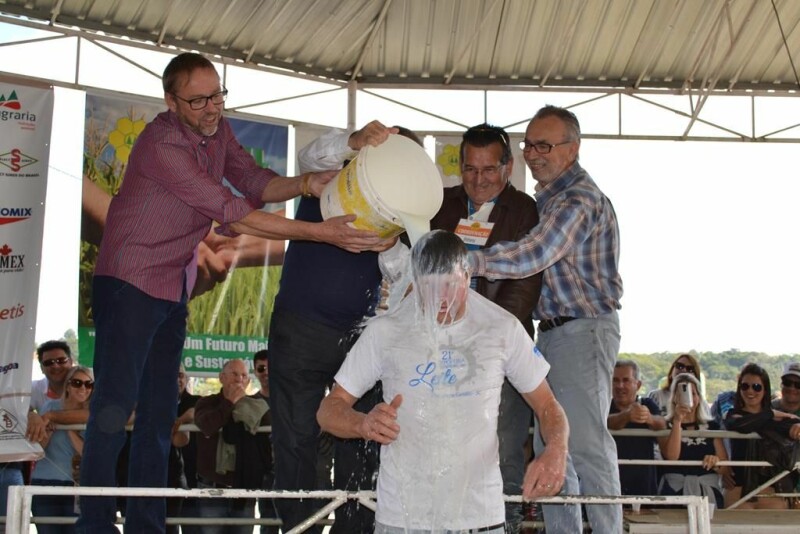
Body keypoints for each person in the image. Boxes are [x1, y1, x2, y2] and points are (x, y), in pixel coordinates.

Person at [76, 52, 382, 534]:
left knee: (159, 418)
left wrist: (306, 182)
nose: (212, 108)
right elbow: (232, 212)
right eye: (198, 100)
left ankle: (146, 526)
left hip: (171, 288)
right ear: (171, 102)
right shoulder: (162, 145)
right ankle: (92, 525)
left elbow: (254, 180)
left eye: (218, 95)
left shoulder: (216, 131)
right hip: (128, 282)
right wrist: (322, 232)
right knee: (114, 409)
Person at [317, 230, 569, 533]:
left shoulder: (501, 327)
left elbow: (547, 405)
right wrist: (362, 424)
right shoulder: (387, 331)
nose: (440, 298)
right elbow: (329, 410)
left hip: (480, 517)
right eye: (428, 286)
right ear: (415, 278)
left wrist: (556, 449)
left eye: (449, 285)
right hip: (403, 517)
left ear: (467, 275)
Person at [467, 105, 623, 533]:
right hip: (554, 335)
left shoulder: (577, 199)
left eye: (545, 145)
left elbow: (536, 253)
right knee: (552, 445)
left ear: (572, 149)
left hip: (581, 331)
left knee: (586, 446)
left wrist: (468, 264)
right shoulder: (549, 198)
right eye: (529, 144)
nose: (535, 154)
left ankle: (609, 529)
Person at [269, 120, 414, 532]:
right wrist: (355, 141)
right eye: (383, 146)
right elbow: (308, 157)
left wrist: (390, 246)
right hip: (300, 328)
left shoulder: (404, 212)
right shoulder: (337, 164)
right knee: (296, 440)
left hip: (362, 337)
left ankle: (355, 529)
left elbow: (405, 282)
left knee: (363, 438)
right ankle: (300, 528)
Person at [431, 123, 542, 532]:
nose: (479, 180)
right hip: (441, 350)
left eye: (489, 170)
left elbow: (525, 284)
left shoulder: (526, 210)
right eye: (470, 169)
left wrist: (487, 339)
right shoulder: (440, 205)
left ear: (508, 167)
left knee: (505, 452)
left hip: (503, 354)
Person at [193, 359, 271, 533]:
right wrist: (230, 401)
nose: (239, 380)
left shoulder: (256, 405)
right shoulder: (206, 403)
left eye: (244, 375)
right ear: (222, 377)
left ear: (248, 382)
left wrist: (242, 403)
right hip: (211, 490)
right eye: (234, 374)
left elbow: (270, 429)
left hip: (244, 489)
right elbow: (207, 425)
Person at [724, 363, 800, 509]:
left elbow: (792, 426)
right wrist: (771, 414)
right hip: (738, 489)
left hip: (772, 489)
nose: (750, 391)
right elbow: (740, 424)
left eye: (757, 387)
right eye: (745, 386)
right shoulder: (733, 415)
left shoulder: (781, 419)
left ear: (765, 390)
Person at [30, 366, 94, 534]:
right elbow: (38, 449)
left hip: (77, 486)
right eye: (77, 383)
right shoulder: (50, 406)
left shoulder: (94, 414)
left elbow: (87, 454)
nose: (83, 388)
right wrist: (48, 431)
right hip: (44, 482)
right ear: (67, 385)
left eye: (88, 384)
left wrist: (66, 426)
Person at [656, 373, 729, 510]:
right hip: (674, 490)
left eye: (693, 394)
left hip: (707, 491)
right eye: (682, 394)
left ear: (699, 397)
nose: (689, 398)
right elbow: (672, 456)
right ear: (674, 398)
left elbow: (724, 467)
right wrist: (677, 420)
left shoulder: (711, 427)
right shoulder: (665, 425)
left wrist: (715, 462)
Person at [608, 360, 665, 496]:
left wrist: (648, 417)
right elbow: (603, 423)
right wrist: (626, 416)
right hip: (610, 481)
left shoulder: (647, 404)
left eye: (626, 380)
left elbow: (662, 423)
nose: (620, 386)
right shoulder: (604, 406)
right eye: (615, 380)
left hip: (643, 483)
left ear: (638, 385)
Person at [251, 351, 279, 534]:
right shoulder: (250, 402)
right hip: (265, 472)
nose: (266, 372)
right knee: (268, 524)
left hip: (291, 468)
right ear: (255, 371)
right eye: (261, 368)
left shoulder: (289, 401)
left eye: (270, 367)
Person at [30, 340, 74, 413]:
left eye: (61, 360)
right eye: (48, 362)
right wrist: (30, 415)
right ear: (42, 368)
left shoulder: (87, 384)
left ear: (71, 362)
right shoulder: (34, 388)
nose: (55, 366)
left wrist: (50, 416)